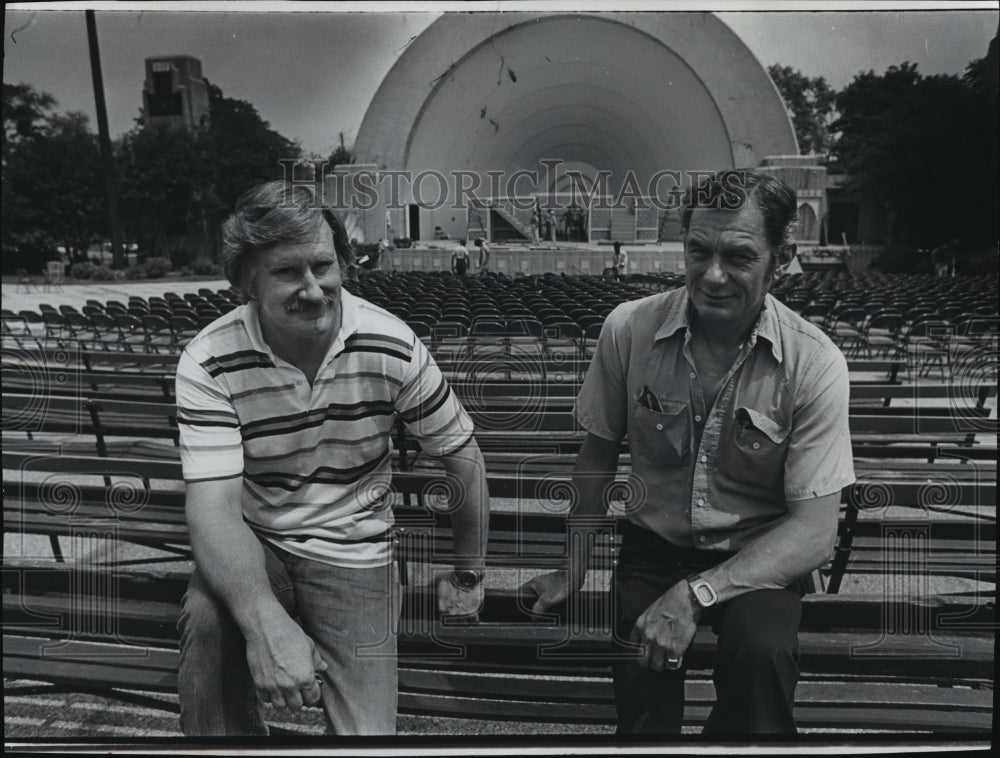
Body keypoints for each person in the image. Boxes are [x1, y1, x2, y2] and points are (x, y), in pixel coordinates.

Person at [522, 169, 855, 736]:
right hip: (654, 550)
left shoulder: (814, 363)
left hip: (760, 556)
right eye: (698, 251)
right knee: (643, 708)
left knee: (762, 661)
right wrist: (571, 568)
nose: (713, 276)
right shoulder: (629, 330)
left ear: (783, 255)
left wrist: (697, 593)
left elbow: (815, 532)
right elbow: (597, 457)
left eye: (740, 256)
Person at [175, 181, 489, 736]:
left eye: (323, 265)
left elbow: (460, 451)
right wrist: (266, 624)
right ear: (246, 280)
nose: (314, 289)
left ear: (344, 263)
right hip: (260, 543)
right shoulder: (208, 359)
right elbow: (215, 511)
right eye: (286, 272)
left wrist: (469, 572)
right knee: (208, 621)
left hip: (357, 550)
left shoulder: (391, 343)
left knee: (367, 736)